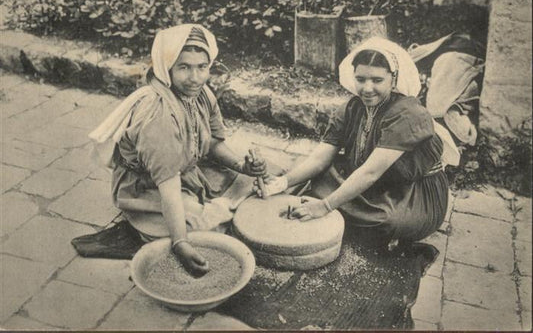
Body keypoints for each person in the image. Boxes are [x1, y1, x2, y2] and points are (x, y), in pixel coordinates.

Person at [89, 24, 265, 275]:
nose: (195, 77)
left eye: (202, 67)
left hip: (187, 170)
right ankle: (149, 224)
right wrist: (180, 243)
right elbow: (169, 186)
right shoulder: (158, 115)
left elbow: (213, 142)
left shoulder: (201, 94)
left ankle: (215, 205)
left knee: (268, 175)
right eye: (184, 67)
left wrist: (242, 166)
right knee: (201, 230)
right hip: (148, 186)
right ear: (166, 67)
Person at [256, 37, 449, 246]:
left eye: (377, 80)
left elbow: (370, 173)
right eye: (361, 79)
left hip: (412, 191)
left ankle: (348, 208)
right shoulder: (351, 108)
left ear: (393, 80)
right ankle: (346, 204)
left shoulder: (408, 114)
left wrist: (325, 206)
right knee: (317, 176)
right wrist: (282, 183)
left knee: (388, 222)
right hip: (376, 182)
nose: (367, 88)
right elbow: (321, 158)